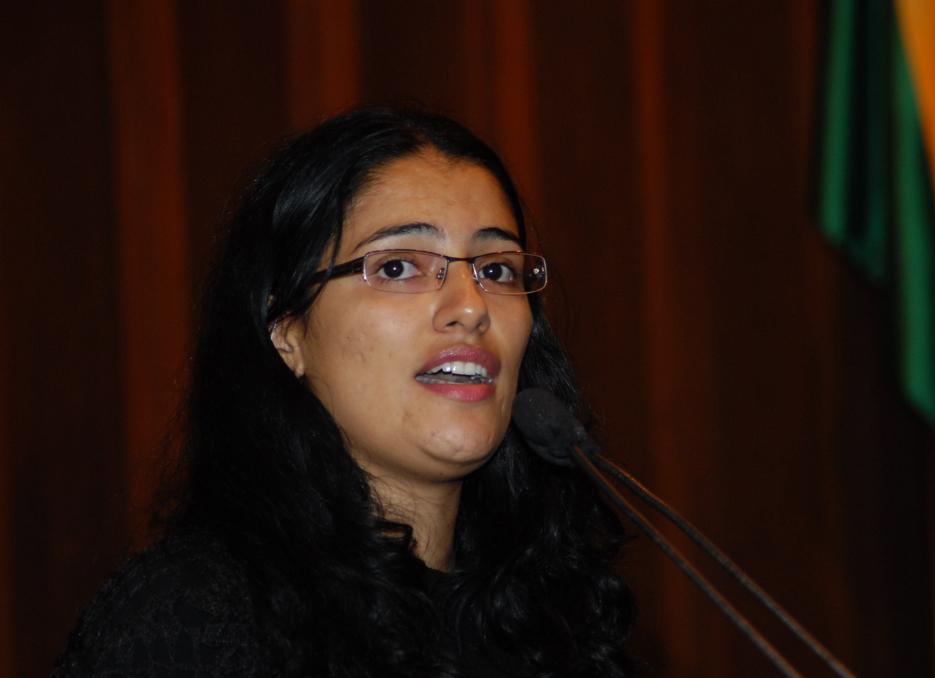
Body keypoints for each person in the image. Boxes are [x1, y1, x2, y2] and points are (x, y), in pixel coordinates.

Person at [54, 106, 635, 677]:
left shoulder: (561, 626)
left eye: (496, 270)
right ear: (287, 331)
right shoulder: (195, 616)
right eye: (398, 267)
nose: (470, 306)